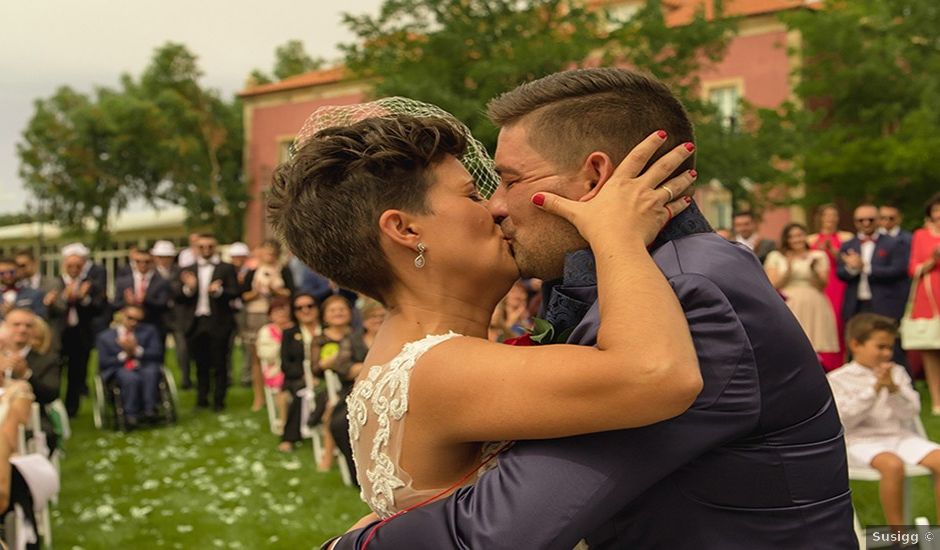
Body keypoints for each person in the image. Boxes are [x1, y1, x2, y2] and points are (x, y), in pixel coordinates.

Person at [317, 70, 855, 549]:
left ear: (594, 178)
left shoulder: (691, 293)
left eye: (510, 180)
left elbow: (507, 524)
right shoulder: (642, 277)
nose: (497, 206)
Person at [827, 313, 940, 526]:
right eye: (880, 347)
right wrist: (874, 390)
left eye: (890, 348)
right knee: (892, 465)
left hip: (900, 437)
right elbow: (844, 420)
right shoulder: (839, 379)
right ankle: (899, 535)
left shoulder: (897, 373)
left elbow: (911, 412)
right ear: (856, 344)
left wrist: (893, 389)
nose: (887, 353)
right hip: (861, 442)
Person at [838, 203, 911, 366]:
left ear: (878, 220)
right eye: (860, 220)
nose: (865, 224)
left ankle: (900, 388)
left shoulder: (894, 243)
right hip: (857, 305)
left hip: (885, 305)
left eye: (870, 220)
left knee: (891, 349)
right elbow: (840, 273)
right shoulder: (849, 245)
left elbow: (898, 270)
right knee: (858, 346)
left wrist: (866, 267)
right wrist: (852, 268)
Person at [176, 234, 239, 412]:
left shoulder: (226, 268)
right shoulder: (188, 269)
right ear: (196, 248)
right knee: (200, 364)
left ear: (215, 247)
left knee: (220, 362)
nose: (206, 250)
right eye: (202, 246)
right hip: (195, 322)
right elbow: (177, 297)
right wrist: (189, 288)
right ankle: (201, 399)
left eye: (210, 246)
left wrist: (218, 292)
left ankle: (219, 401)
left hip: (218, 321)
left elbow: (235, 292)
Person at [48, 243, 107, 417]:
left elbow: (99, 308)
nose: (74, 269)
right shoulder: (54, 284)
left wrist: (83, 298)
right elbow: (50, 311)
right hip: (59, 335)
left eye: (78, 266)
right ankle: (53, 407)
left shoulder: (90, 285)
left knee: (77, 374)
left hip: (81, 335)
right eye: (70, 265)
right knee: (55, 373)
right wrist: (65, 298)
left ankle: (71, 410)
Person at [764, 223, 840, 357]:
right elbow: (774, 285)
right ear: (786, 239)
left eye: (799, 235)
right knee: (791, 343)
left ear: (805, 236)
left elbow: (822, 285)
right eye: (792, 237)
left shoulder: (818, 255)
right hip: (789, 303)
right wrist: (788, 267)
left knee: (815, 345)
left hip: (814, 302)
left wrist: (813, 270)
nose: (796, 240)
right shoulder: (776, 256)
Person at [310, 295, 367, 472]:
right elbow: (316, 368)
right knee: (332, 407)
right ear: (325, 316)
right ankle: (328, 455)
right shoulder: (320, 339)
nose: (338, 313)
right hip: (329, 386)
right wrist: (336, 359)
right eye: (333, 310)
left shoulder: (358, 336)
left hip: (355, 382)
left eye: (342, 309)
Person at [241, 240, 294, 411]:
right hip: (256, 316)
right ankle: (259, 397)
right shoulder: (252, 272)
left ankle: (283, 393)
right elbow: (242, 295)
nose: (269, 255)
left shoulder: (284, 271)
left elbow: (291, 292)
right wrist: (255, 293)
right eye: (266, 251)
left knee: (283, 353)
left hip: (280, 316)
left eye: (272, 252)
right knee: (257, 358)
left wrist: (275, 292)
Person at [809, 203, 855, 371]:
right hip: (820, 286)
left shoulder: (846, 237)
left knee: (838, 322)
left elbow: (850, 262)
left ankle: (840, 363)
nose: (830, 219)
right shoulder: (811, 240)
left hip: (839, 283)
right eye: (827, 215)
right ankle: (821, 364)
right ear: (820, 218)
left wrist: (832, 251)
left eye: (833, 215)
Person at [907, 192, 940, 413]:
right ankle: (937, 401)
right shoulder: (920, 235)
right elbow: (913, 268)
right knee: (930, 349)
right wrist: (933, 261)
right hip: (929, 298)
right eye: (936, 210)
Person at [278, 293, 320, 452]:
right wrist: (307, 376)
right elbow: (286, 365)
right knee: (301, 392)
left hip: (327, 376)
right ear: (294, 312)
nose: (305, 310)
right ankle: (289, 437)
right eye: (300, 308)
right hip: (298, 378)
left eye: (310, 306)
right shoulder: (289, 334)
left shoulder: (328, 329)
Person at [151, 240, 191, 389]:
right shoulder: (151, 273)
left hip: (177, 317)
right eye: (161, 256)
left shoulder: (180, 271)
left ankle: (186, 380)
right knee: (157, 350)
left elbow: (182, 292)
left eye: (167, 256)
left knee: (183, 350)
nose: (164, 260)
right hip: (159, 318)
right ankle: (159, 380)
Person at [256, 296, 293, 434]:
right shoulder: (266, 331)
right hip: (275, 369)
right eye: (277, 311)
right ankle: (284, 421)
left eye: (284, 311)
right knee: (282, 386)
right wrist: (283, 345)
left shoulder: (294, 329)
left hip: (294, 367)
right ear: (270, 315)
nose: (281, 314)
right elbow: (265, 353)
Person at [112, 248, 171, 334]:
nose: (143, 264)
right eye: (138, 261)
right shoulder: (123, 282)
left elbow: (163, 304)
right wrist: (128, 302)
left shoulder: (161, 282)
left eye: (146, 261)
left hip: (153, 326)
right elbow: (115, 304)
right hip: (130, 327)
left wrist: (146, 299)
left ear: (152, 262)